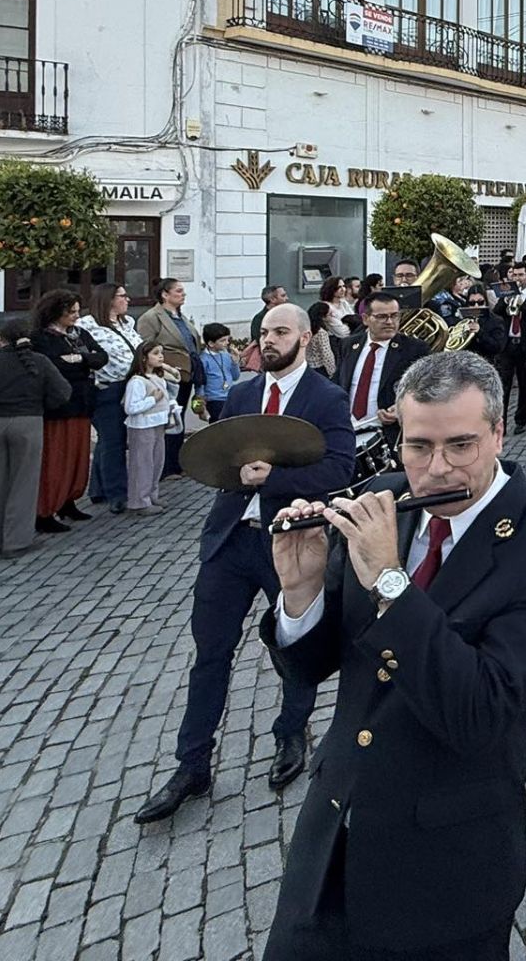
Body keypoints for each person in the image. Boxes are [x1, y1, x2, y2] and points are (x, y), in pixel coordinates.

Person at [258, 350, 526, 960]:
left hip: (444, 869)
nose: (436, 470)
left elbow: (480, 713)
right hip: (332, 837)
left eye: (460, 445)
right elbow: (312, 667)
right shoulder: (385, 496)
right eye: (418, 447)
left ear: (497, 434)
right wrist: (301, 592)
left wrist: (392, 582)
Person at [134, 303, 355, 824]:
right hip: (229, 542)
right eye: (264, 332)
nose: (268, 339)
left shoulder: (326, 397)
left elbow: (339, 469)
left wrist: (274, 479)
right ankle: (192, 764)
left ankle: (291, 735)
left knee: (292, 649)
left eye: (280, 331)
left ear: (305, 337)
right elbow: (217, 460)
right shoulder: (241, 394)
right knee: (210, 653)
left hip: (290, 544)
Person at [0, 317, 71, 558]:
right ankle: (17, 541)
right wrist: (42, 405)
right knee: (24, 483)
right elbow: (63, 392)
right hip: (29, 421)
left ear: (0, 338)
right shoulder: (39, 361)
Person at [31, 290, 107, 534]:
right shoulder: (41, 338)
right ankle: (45, 509)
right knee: (56, 458)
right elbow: (53, 365)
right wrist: (81, 361)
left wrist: (80, 359)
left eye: (77, 311)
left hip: (83, 402)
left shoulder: (80, 334)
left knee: (77, 457)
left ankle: (68, 501)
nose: (76, 316)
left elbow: (100, 357)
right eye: (70, 312)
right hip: (58, 408)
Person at [77, 284, 141, 514]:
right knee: (113, 440)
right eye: (122, 296)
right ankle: (117, 493)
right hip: (106, 388)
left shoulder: (127, 323)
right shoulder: (86, 325)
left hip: (130, 385)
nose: (128, 299)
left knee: (109, 440)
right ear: (109, 299)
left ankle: (98, 488)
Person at [334, 291, 428, 437]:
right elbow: (337, 382)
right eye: (382, 317)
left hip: (388, 433)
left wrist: (401, 408)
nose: (389, 322)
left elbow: (427, 389)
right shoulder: (348, 345)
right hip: (347, 429)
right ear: (365, 319)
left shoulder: (414, 349)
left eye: (394, 316)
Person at [138, 278, 204, 479]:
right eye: (178, 291)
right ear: (165, 295)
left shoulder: (181, 317)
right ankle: (165, 466)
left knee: (178, 417)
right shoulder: (151, 317)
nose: (183, 294)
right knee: (167, 418)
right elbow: (145, 347)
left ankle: (176, 462)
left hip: (185, 373)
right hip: (166, 375)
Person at [123, 340, 180, 514]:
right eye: (155, 353)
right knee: (142, 464)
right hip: (142, 426)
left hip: (158, 424)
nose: (160, 356)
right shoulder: (137, 381)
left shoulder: (157, 378)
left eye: (161, 352)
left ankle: (151, 494)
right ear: (144, 358)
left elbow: (175, 381)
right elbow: (131, 408)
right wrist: (152, 399)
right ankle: (139, 501)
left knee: (156, 462)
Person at [492, 260, 526, 433]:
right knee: (504, 385)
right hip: (507, 346)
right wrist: (504, 301)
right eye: (515, 275)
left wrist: (523, 305)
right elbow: (496, 314)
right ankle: (502, 423)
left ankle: (521, 420)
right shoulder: (506, 292)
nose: (518, 278)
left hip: (525, 345)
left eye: (521, 275)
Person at [198, 323, 241, 421]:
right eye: (223, 340)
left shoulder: (226, 355)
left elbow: (235, 377)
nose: (227, 343)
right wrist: (201, 405)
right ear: (211, 343)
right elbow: (200, 383)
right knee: (218, 425)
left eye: (227, 339)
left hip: (229, 397)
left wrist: (235, 362)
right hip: (214, 399)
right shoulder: (204, 360)